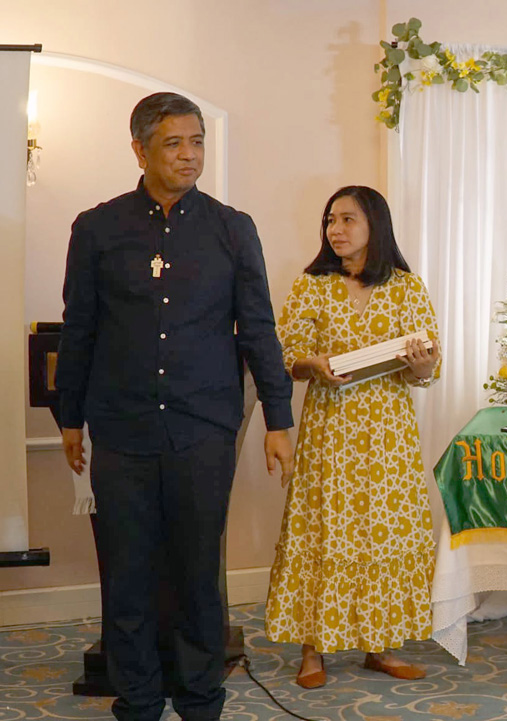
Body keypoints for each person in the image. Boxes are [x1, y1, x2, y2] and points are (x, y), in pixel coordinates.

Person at [56, 92, 295, 721]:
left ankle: (199, 700)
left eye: (197, 142)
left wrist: (278, 418)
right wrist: (68, 418)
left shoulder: (230, 226)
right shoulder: (98, 227)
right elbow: (78, 327)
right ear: (138, 148)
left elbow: (258, 329)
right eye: (173, 143)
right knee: (127, 577)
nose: (189, 156)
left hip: (204, 429)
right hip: (121, 429)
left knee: (196, 576)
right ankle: (136, 701)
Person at [265, 185, 441, 689]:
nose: (335, 230)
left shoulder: (407, 287)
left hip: (389, 435)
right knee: (325, 531)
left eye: (347, 220)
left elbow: (426, 366)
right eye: (330, 221)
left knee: (382, 533)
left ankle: (379, 646)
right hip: (331, 430)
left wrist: (425, 364)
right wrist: (310, 364)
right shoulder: (312, 285)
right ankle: (312, 648)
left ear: (375, 227)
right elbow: (284, 354)